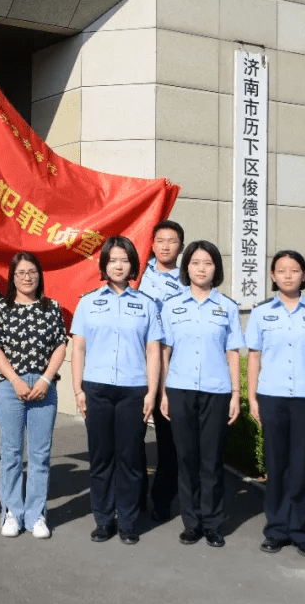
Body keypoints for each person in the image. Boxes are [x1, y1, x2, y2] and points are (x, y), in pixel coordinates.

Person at [246, 251, 305, 558]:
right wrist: (252, 397)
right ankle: (276, 529)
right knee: (276, 465)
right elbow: (254, 357)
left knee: (301, 467)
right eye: (282, 270)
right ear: (272, 276)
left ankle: (300, 531)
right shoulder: (261, 313)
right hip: (272, 397)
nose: (288, 275)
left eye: (294, 270)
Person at [71, 236, 162, 545]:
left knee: (130, 459)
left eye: (124, 260)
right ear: (104, 265)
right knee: (101, 458)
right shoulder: (88, 301)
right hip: (96, 389)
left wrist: (151, 393)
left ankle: (128, 521)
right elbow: (79, 348)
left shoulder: (146, 305)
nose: (119, 265)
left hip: (133, 390)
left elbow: (153, 351)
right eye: (113, 260)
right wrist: (78, 389)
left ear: (133, 264)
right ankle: (103, 519)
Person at [158, 240, 244, 549]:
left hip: (216, 390)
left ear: (216, 269)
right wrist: (164, 392)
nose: (201, 268)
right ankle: (191, 523)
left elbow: (233, 352)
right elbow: (165, 351)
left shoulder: (227, 307)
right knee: (186, 458)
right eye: (195, 263)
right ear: (187, 268)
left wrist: (236, 393)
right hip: (180, 390)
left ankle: (212, 523)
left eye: (207, 263)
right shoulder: (171, 306)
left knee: (211, 460)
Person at [0, 252, 67, 540]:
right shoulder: (1, 308)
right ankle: (11, 512)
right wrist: (15, 380)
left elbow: (60, 345)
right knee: (10, 453)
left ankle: (36, 515)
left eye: (32, 271)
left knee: (40, 455)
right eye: (21, 272)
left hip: (43, 386)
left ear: (39, 275)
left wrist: (46, 378)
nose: (27, 277)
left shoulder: (51, 307)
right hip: (11, 386)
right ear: (12, 276)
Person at [137, 219, 185, 522]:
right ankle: (134, 498)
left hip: (172, 367)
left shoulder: (189, 276)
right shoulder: (137, 272)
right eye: (160, 240)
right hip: (136, 364)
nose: (165, 246)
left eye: (172, 241)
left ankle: (163, 498)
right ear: (152, 244)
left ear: (180, 245)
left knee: (169, 440)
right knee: (132, 436)